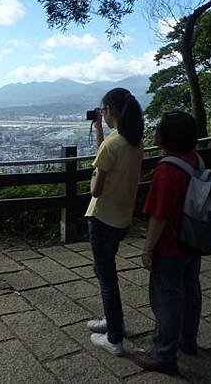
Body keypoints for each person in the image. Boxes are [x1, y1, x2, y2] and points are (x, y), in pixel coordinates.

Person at [134, 111, 202, 376]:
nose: (155, 130)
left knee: (167, 299)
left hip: (171, 246)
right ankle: (189, 340)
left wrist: (148, 249)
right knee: (191, 290)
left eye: (159, 127)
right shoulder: (194, 159)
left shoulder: (166, 169)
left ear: (168, 135)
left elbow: (159, 215)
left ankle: (164, 355)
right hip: (192, 240)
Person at [85, 87, 145, 356]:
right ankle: (112, 320)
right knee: (106, 272)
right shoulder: (133, 142)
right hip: (122, 218)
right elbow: (107, 153)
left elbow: (95, 189)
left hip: (102, 217)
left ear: (111, 110)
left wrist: (93, 179)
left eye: (104, 111)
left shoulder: (114, 144)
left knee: (106, 277)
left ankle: (115, 338)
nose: (103, 115)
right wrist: (99, 128)